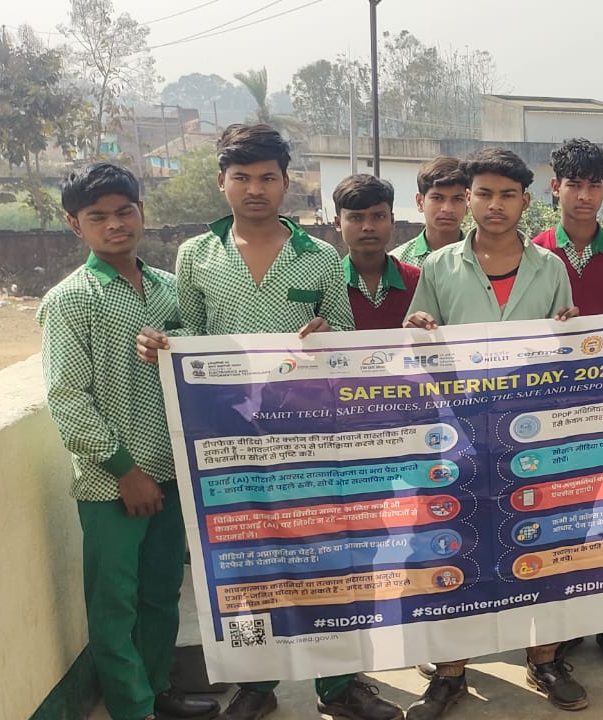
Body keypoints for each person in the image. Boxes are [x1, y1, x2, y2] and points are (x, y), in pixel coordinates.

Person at [134, 124, 374, 720]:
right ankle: (257, 686)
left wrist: (328, 335)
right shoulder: (197, 256)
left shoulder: (320, 257)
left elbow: (346, 340)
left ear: (286, 182)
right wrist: (163, 344)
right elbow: (190, 336)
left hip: (308, 437)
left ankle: (340, 685)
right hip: (231, 441)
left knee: (329, 555)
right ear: (222, 183)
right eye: (242, 177)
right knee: (247, 561)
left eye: (268, 177)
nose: (255, 188)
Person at [402, 147, 586, 715]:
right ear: (469, 199)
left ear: (526, 201)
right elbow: (418, 351)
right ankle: (451, 671)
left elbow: (565, 354)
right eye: (484, 193)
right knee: (455, 544)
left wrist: (571, 331)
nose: (495, 205)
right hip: (458, 435)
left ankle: (544, 659)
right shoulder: (438, 268)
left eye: (508, 194)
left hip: (530, 434)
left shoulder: (551, 268)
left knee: (540, 542)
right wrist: (417, 328)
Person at [40, 163, 220, 720]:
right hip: (111, 483)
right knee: (114, 602)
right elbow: (67, 398)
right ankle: (132, 707)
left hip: (171, 471)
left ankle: (159, 688)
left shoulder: (169, 288)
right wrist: (125, 470)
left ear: (142, 212)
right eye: (98, 217)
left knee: (161, 592)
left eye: (124, 211)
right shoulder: (72, 300)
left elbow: (200, 350)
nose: (115, 224)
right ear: (75, 225)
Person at [531, 138, 603, 318]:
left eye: (594, 186)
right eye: (574, 185)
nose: (584, 196)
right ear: (555, 187)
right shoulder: (533, 254)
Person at [335, 174, 419, 331]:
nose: (368, 227)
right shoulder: (327, 285)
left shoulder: (419, 281)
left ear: (392, 220)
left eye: (378, 216)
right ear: (338, 223)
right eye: (356, 217)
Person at [392, 156, 469, 266]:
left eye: (457, 199)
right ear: (420, 202)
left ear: (468, 202)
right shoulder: (397, 263)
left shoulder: (483, 260)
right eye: (437, 198)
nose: (447, 209)